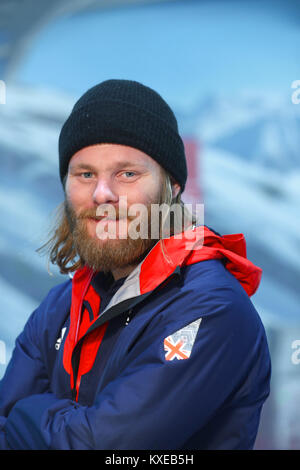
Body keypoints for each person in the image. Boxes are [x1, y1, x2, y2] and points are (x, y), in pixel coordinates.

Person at [0, 79, 271, 450]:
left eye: (127, 174)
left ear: (172, 186)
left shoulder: (210, 309)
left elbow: (101, 447)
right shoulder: (60, 307)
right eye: (85, 174)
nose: (102, 194)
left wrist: (26, 417)